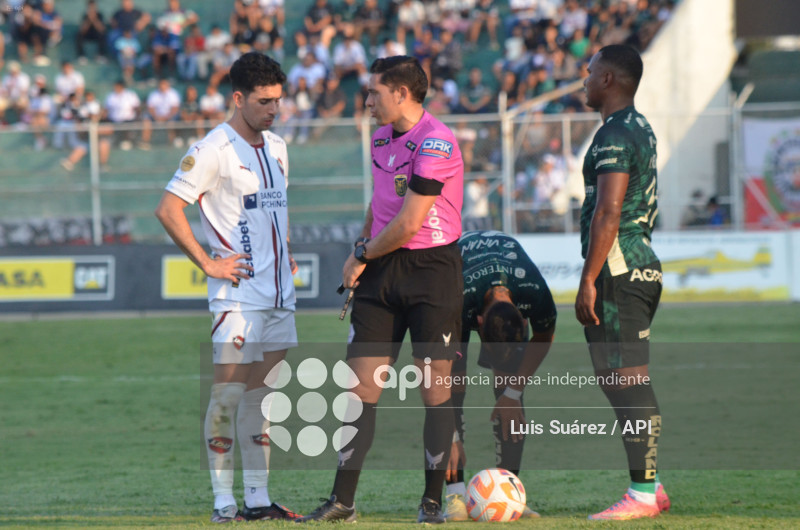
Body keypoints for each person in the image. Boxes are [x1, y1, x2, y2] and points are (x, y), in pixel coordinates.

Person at [298, 56, 464, 525]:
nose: (367, 100)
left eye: (374, 92)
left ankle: (433, 503)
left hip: (432, 270)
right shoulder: (378, 137)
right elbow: (382, 204)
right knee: (360, 389)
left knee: (435, 391)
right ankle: (342, 503)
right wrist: (362, 246)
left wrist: (361, 255)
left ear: (402, 94)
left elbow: (411, 221)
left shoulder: (437, 141)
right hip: (381, 269)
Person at [154, 52, 301, 524]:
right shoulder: (212, 149)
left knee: (262, 401)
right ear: (238, 99)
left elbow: (275, 211)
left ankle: (258, 500)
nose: (273, 110)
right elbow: (168, 209)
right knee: (227, 397)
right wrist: (207, 264)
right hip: (238, 296)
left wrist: (286, 248)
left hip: (280, 295)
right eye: (263, 102)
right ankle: (223, 504)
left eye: (278, 100)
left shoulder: (278, 145)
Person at [575, 44, 670, 521]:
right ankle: (652, 484)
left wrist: (588, 278)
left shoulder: (614, 133)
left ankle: (642, 494)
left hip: (617, 269)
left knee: (627, 380)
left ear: (609, 79)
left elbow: (609, 210)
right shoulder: (640, 127)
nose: (584, 80)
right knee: (618, 379)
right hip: (639, 265)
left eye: (590, 73)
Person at [443, 230, 556, 522]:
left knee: (509, 394)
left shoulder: (535, 294)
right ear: (478, 323)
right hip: (455, 274)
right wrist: (450, 433)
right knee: (454, 387)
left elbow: (544, 336)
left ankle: (510, 492)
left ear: (523, 316)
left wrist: (513, 393)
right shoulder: (456, 299)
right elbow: (438, 374)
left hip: (499, 279)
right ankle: (454, 495)